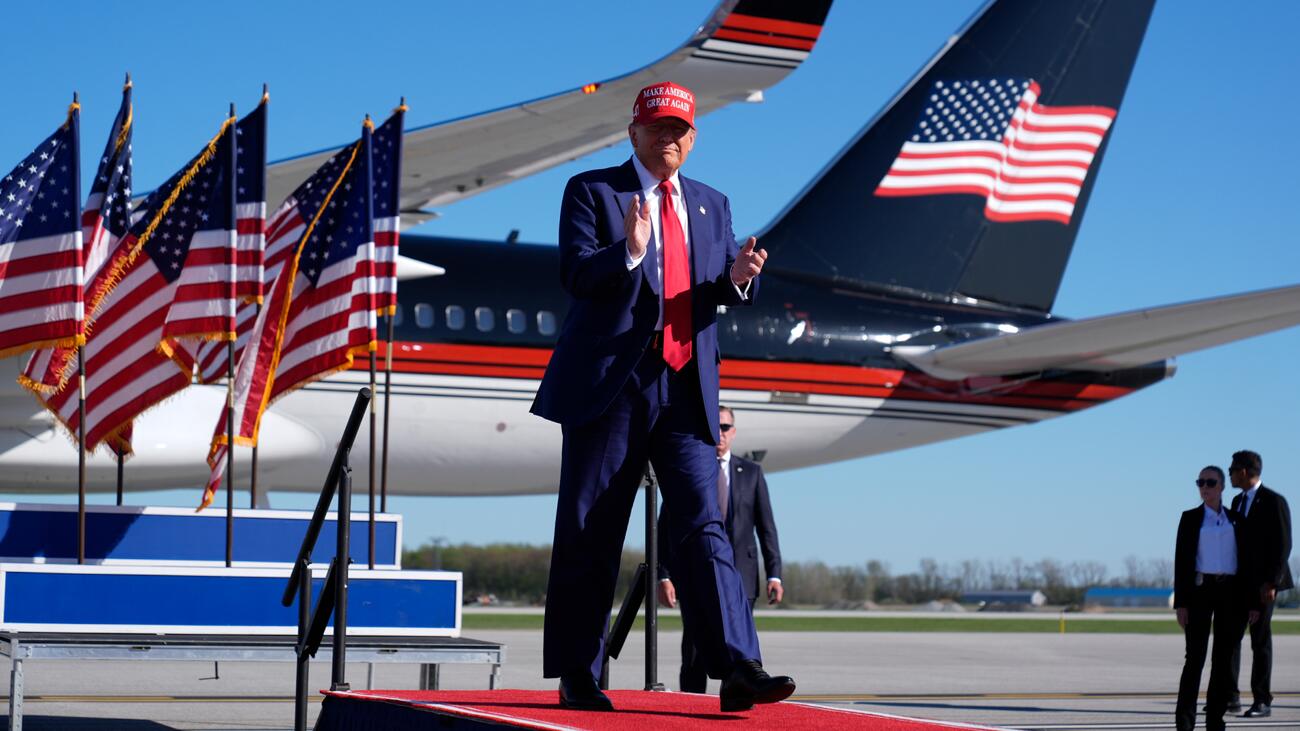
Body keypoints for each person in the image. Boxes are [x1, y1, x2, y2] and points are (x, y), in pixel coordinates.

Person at [531, 81, 794, 713]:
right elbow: (576, 273)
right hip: (612, 388)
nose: (667, 138)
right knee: (593, 528)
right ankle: (580, 674)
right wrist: (630, 251)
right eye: (656, 128)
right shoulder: (593, 191)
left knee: (705, 528)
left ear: (692, 138)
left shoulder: (712, 205)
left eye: (679, 129)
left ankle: (738, 667)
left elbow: (714, 291)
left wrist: (735, 283)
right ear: (634, 133)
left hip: (686, 389)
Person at [658, 405, 784, 693]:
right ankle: (691, 703)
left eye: (725, 427)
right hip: (695, 570)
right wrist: (663, 575)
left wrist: (774, 574)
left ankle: (737, 695)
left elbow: (767, 527)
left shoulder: (751, 472)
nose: (720, 433)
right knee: (694, 649)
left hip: (742, 573)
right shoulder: (690, 470)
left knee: (738, 640)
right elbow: (666, 524)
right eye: (715, 427)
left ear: (734, 432)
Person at [1173, 466, 1247, 731]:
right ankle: (1184, 722)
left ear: (1222, 486)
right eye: (1200, 482)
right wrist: (1181, 603)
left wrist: (1252, 603)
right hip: (1199, 592)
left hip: (1230, 593)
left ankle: (1215, 719)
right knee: (1194, 658)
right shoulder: (1190, 518)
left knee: (1223, 660)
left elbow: (1246, 564)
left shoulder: (1237, 520)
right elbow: (1181, 562)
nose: (1204, 486)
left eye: (1210, 482)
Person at [1225, 449, 1293, 718]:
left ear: (1244, 471)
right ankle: (1230, 697)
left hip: (1264, 586)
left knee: (1259, 642)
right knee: (1229, 640)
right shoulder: (1237, 501)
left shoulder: (1274, 501)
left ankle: (1262, 700)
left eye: (1231, 469)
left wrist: (1272, 583)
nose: (1229, 474)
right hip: (1240, 584)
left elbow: (1283, 544)